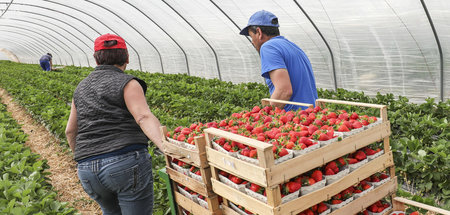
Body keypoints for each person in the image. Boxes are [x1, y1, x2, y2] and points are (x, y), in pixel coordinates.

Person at [65, 33, 165, 215]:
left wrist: (84, 159)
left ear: (96, 59)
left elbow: (70, 131)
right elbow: (143, 117)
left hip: (87, 169)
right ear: (127, 57)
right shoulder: (128, 83)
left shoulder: (81, 88)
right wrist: (167, 148)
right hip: (124, 163)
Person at [240, 10, 318, 111]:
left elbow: (284, 91)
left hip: (293, 119)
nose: (252, 42)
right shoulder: (294, 47)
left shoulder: (268, 47)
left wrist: (263, 116)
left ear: (259, 32)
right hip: (311, 116)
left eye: (251, 36)